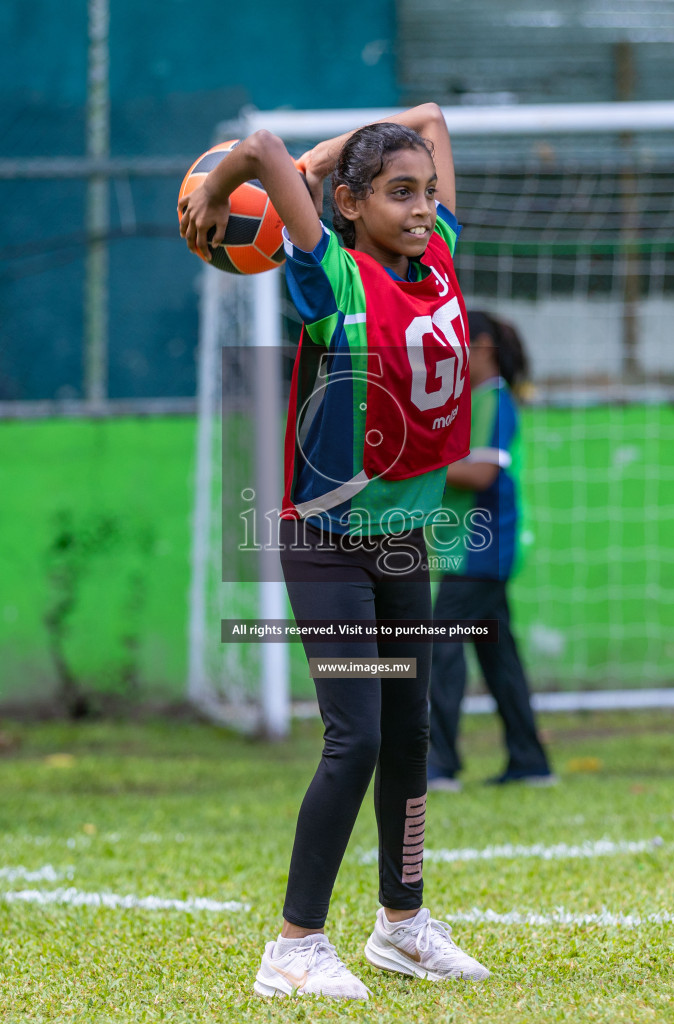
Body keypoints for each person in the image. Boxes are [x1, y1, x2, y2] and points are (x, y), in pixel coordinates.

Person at [180, 103, 491, 1000]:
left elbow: (429, 115)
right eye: (400, 194)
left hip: (404, 540)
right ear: (348, 205)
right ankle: (295, 945)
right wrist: (239, 180)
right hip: (328, 542)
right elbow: (265, 145)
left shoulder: (437, 261)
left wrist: (337, 156)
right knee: (352, 738)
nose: (423, 207)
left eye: (428, 191)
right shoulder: (332, 283)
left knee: (411, 733)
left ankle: (402, 926)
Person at [426, 311, 555, 790]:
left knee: (440, 647)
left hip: (481, 551)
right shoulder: (474, 401)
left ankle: (438, 762)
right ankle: (530, 760)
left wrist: (414, 469)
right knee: (499, 656)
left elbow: (481, 474)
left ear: (480, 347)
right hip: (469, 549)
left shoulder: (494, 400)